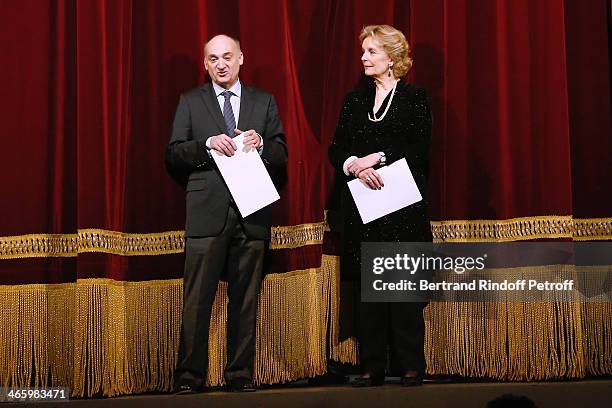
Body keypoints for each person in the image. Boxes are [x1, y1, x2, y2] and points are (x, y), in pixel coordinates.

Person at [166, 34, 288, 393]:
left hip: (252, 214)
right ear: (205, 64)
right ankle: (189, 377)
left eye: (227, 57)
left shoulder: (264, 102)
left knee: (245, 300)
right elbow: (173, 153)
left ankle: (240, 375)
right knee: (197, 301)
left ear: (240, 59)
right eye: (213, 58)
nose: (221, 63)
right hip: (207, 213)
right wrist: (206, 144)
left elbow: (281, 154)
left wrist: (261, 143)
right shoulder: (190, 101)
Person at [328, 24, 433, 387]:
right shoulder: (354, 101)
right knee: (367, 290)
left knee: (402, 288)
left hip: (401, 207)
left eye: (371, 52)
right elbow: (337, 148)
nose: (364, 58)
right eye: (363, 52)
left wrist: (380, 159)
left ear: (392, 58)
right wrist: (354, 166)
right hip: (363, 207)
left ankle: (410, 365)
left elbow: (419, 149)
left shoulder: (415, 98)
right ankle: (371, 366)